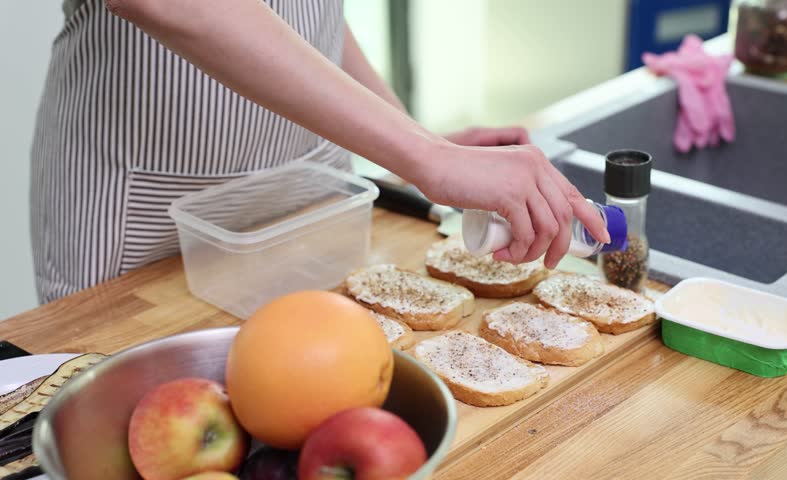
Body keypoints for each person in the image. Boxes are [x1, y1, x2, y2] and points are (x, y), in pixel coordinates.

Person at [30, 0, 608, 303]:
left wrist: (409, 136)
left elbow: (303, 10)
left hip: (312, 200)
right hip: (147, 207)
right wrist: (426, 158)